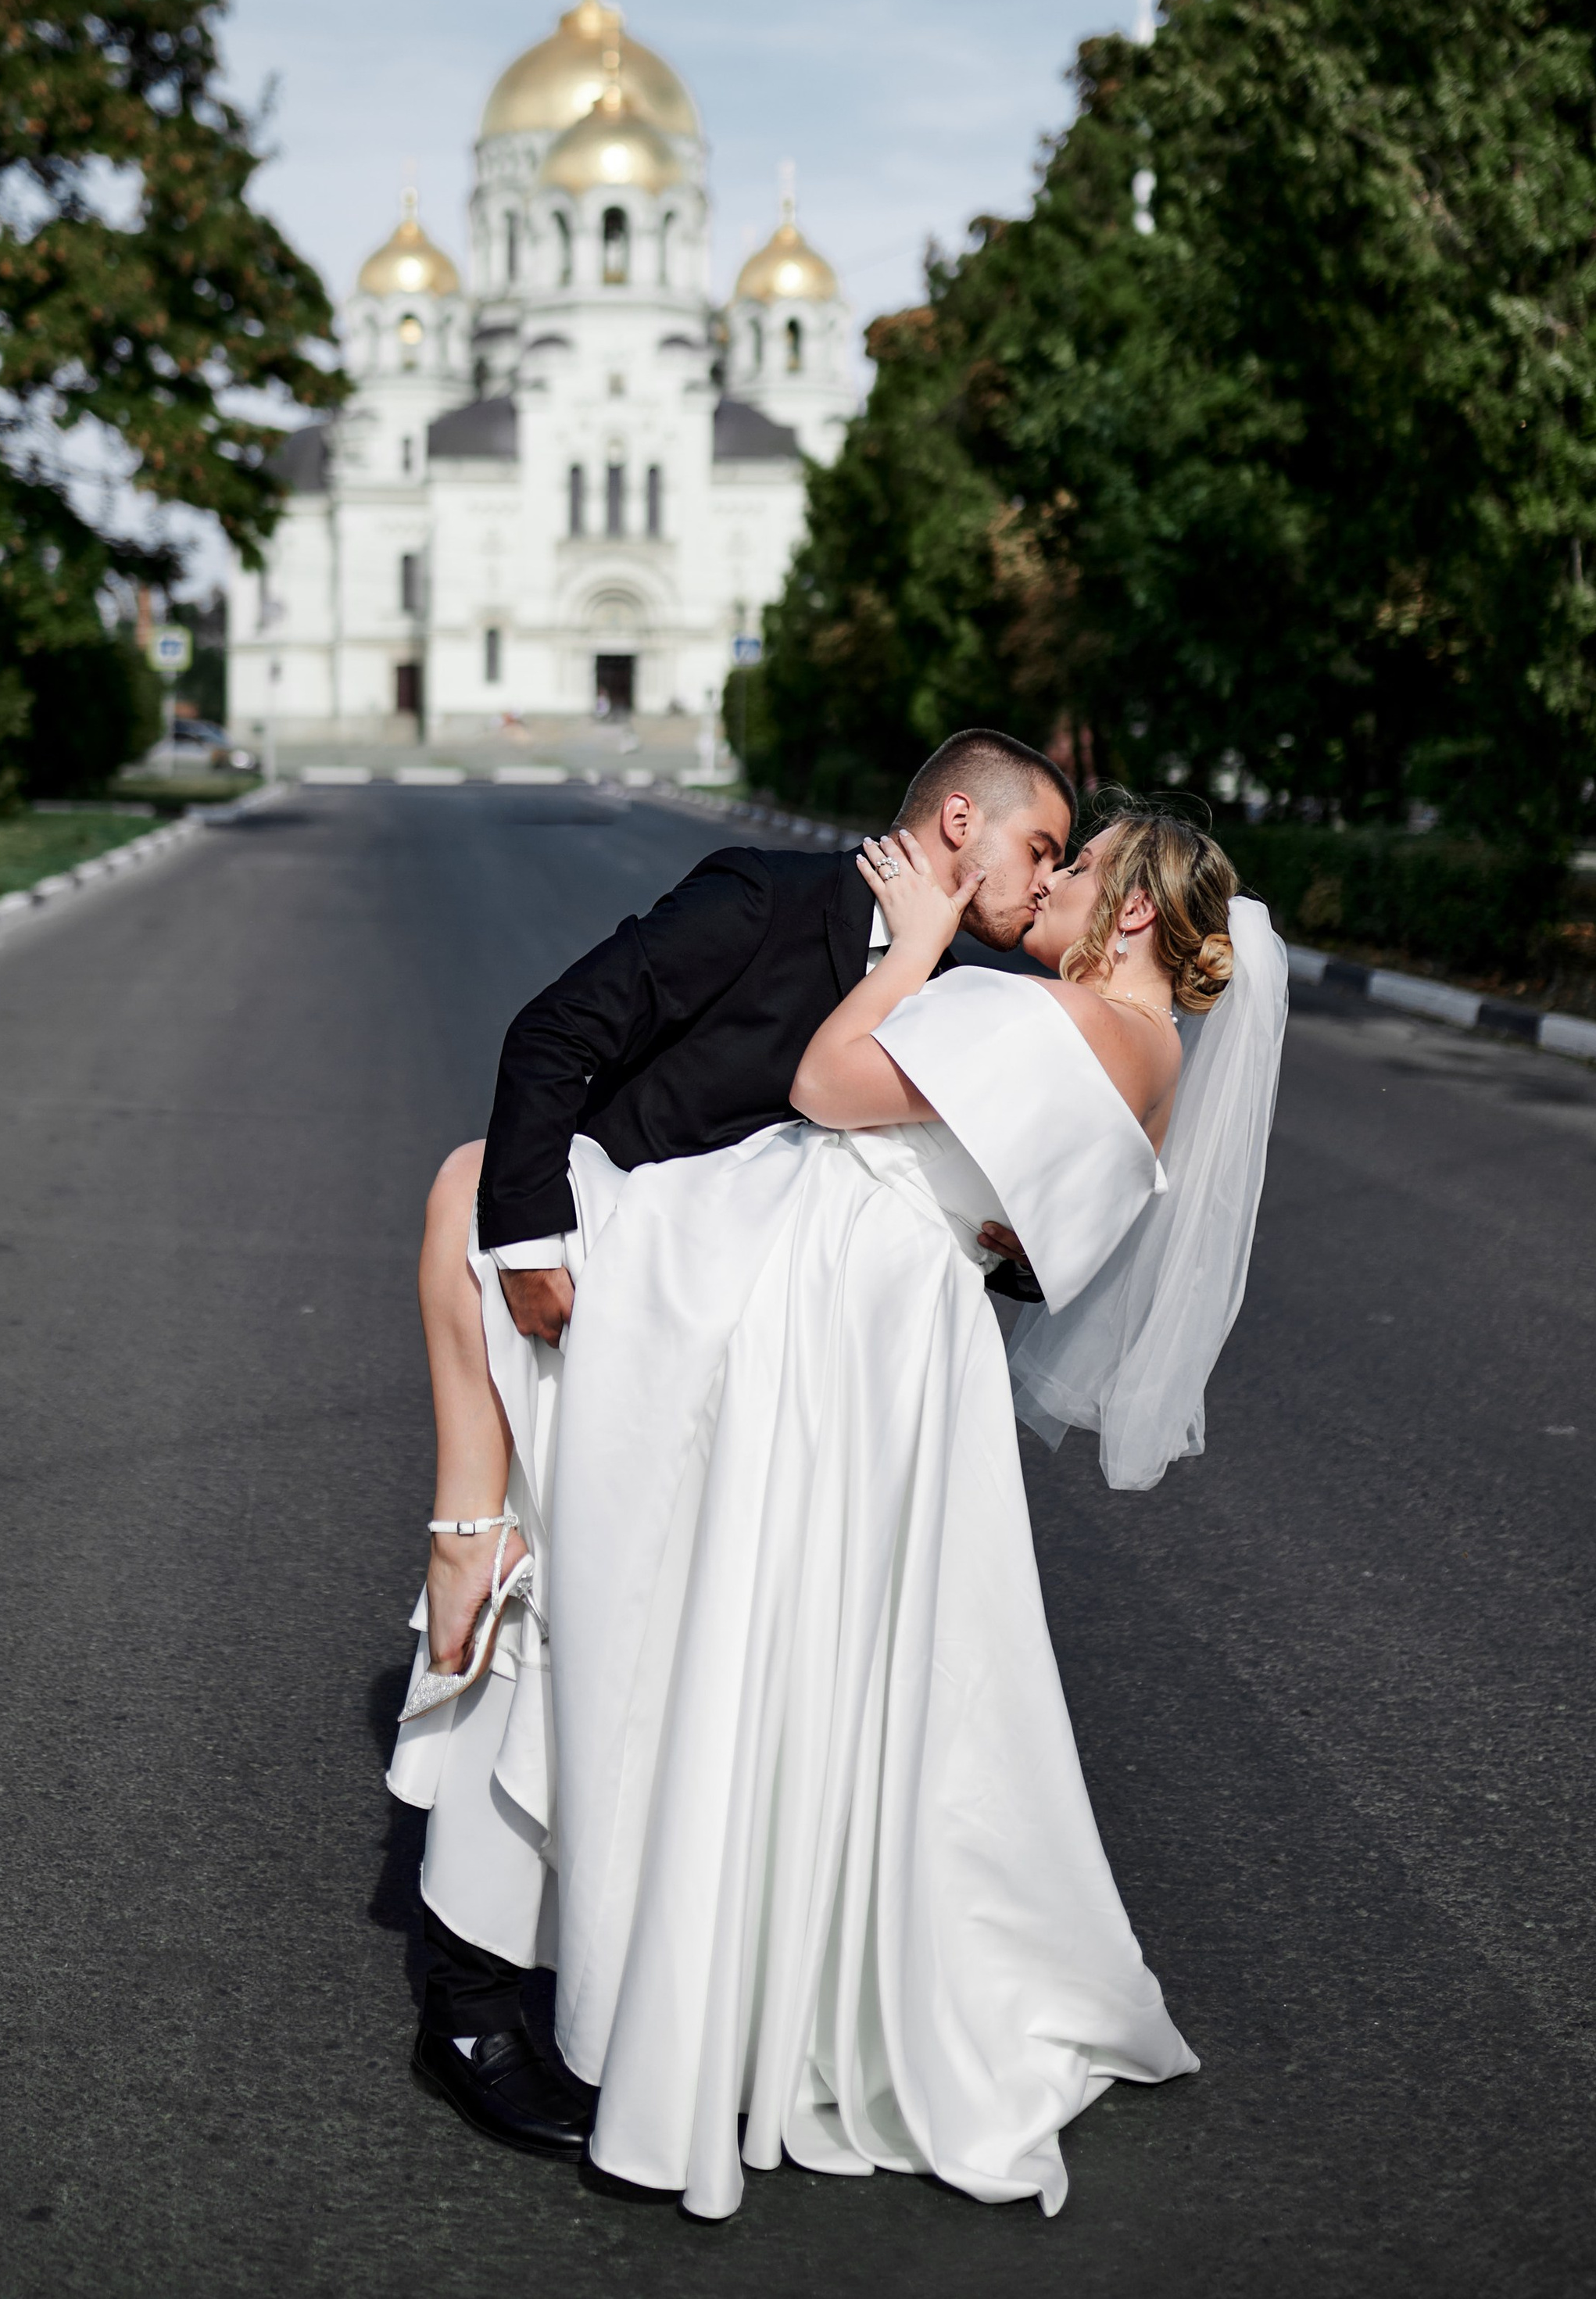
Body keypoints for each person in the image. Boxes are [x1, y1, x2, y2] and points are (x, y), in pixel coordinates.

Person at [397, 795, 1288, 2209]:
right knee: (770, 1657)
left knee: (504, 1279)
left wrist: (916, 944)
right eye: (1042, 850)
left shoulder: (1050, 1018)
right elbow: (1038, 1244)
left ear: (1130, 908)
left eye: (1076, 866)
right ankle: (698, 1973)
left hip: (799, 1305)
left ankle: (471, 1567)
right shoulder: (1153, 1059)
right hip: (893, 1348)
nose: (1049, 885)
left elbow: (825, 1082)